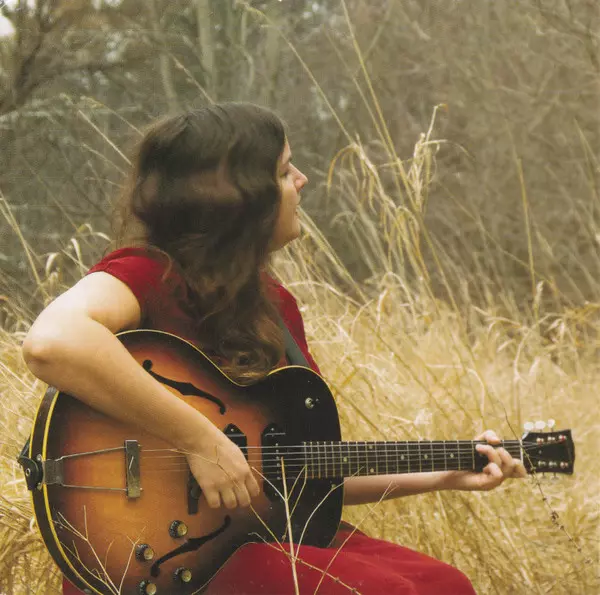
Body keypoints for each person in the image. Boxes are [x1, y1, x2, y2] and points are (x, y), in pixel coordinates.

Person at [22, 102, 525, 595]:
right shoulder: (149, 274)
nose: (302, 180)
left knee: (444, 585)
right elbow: (53, 341)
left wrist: (443, 472)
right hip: (168, 562)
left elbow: (297, 471)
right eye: (285, 171)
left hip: (261, 537)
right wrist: (200, 441)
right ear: (237, 199)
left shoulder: (274, 307)